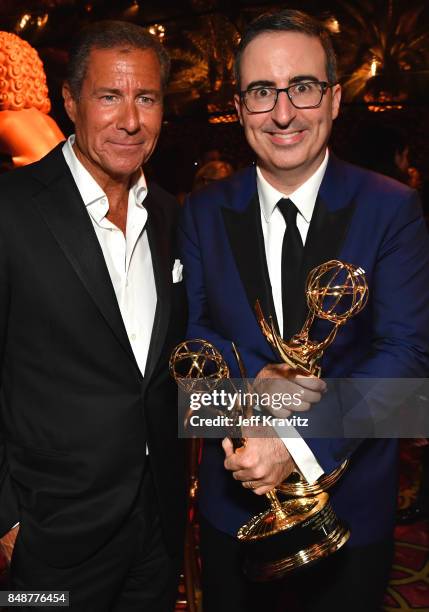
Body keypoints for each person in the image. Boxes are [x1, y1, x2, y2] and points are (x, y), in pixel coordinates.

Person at [179, 9, 429, 612]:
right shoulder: (201, 211)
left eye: (303, 88)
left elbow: (407, 367)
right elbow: (187, 349)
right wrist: (248, 399)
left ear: (335, 99)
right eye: (263, 91)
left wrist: (294, 443)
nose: (284, 113)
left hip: (351, 513)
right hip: (232, 507)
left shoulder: (391, 209)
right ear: (239, 107)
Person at [0, 20, 187, 610]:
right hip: (48, 538)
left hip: (156, 532)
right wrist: (7, 520)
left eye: (146, 98)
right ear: (71, 101)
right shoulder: (11, 211)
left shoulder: (173, 217)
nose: (130, 120)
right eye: (110, 96)